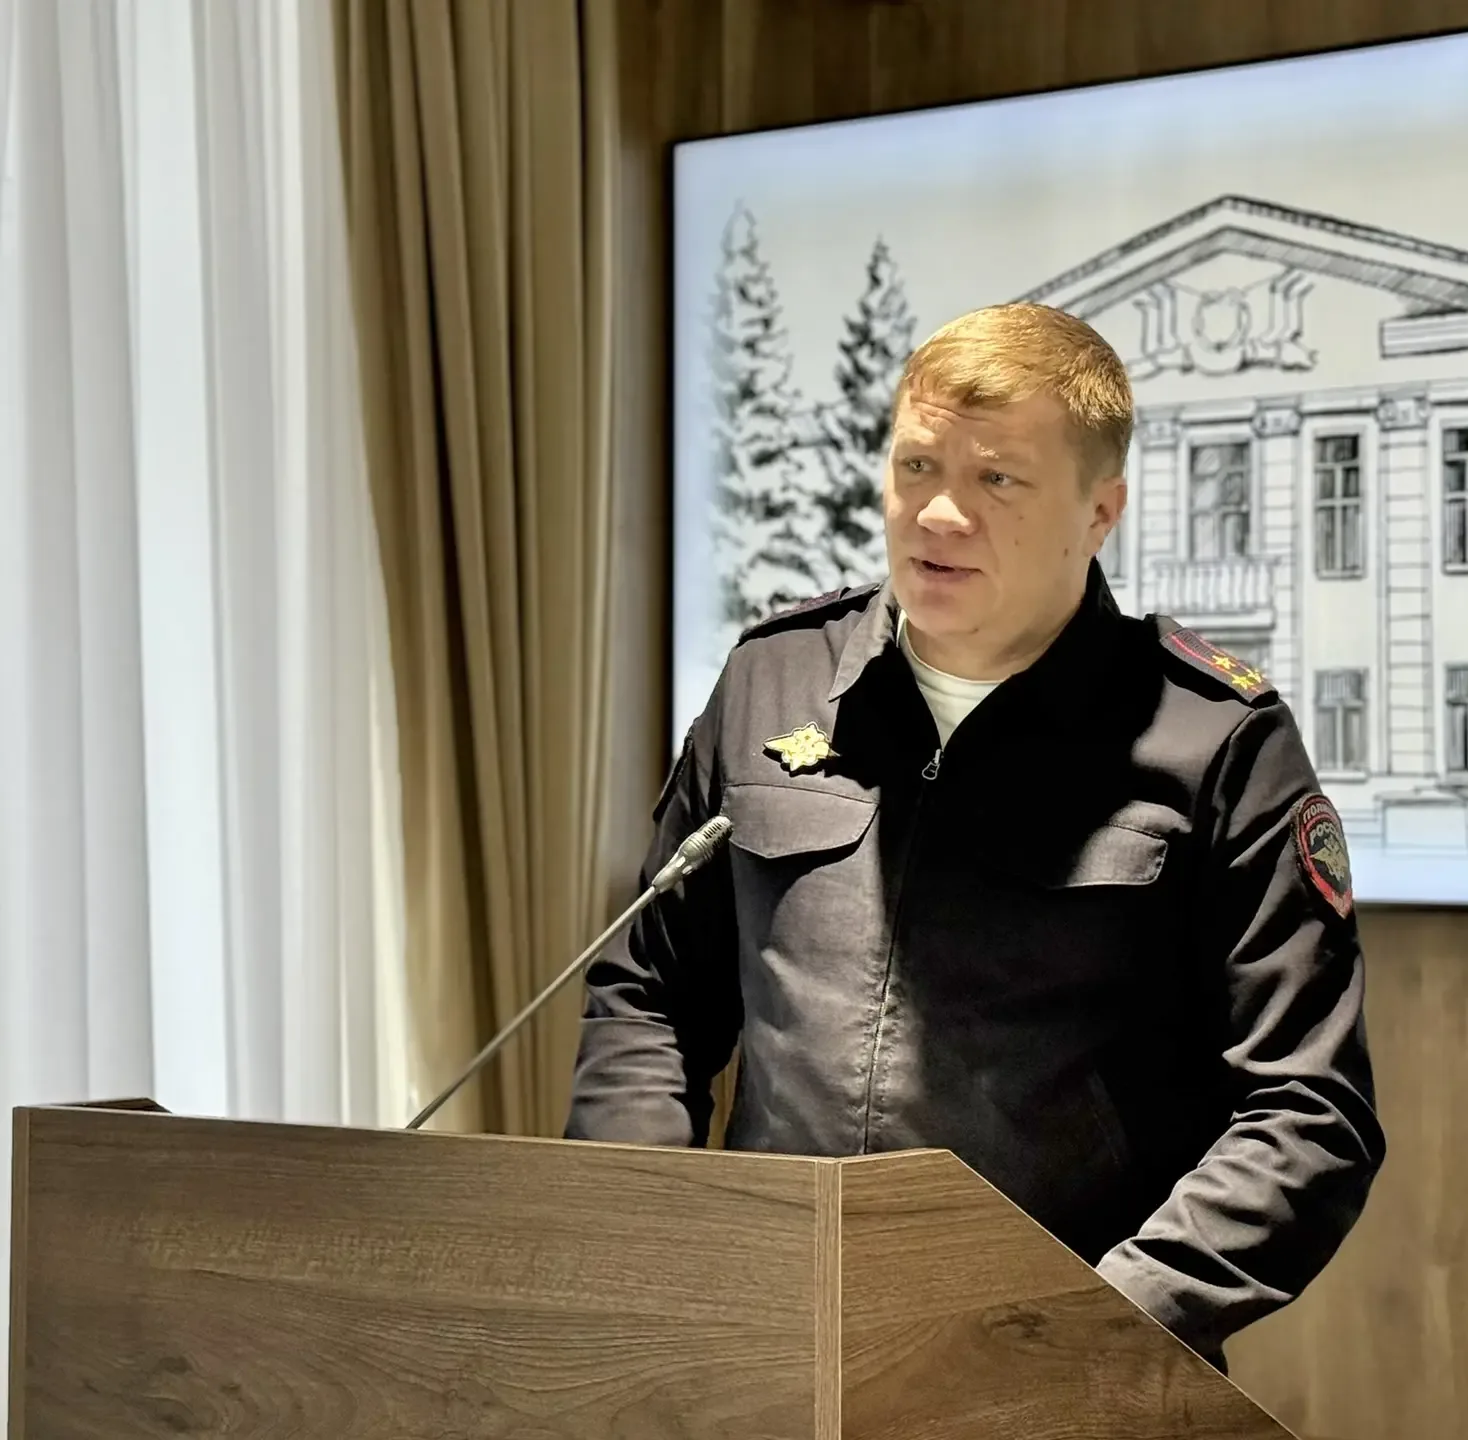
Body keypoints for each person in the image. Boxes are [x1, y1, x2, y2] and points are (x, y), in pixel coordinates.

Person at [567, 301, 1384, 1366]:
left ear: (1100, 512)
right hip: (764, 1346)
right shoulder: (774, 678)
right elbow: (651, 997)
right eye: (917, 466)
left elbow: (1307, 1111)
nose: (939, 514)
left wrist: (1094, 1326)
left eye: (997, 479)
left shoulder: (1215, 740)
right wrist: (645, 1238)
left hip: (1061, 1374)